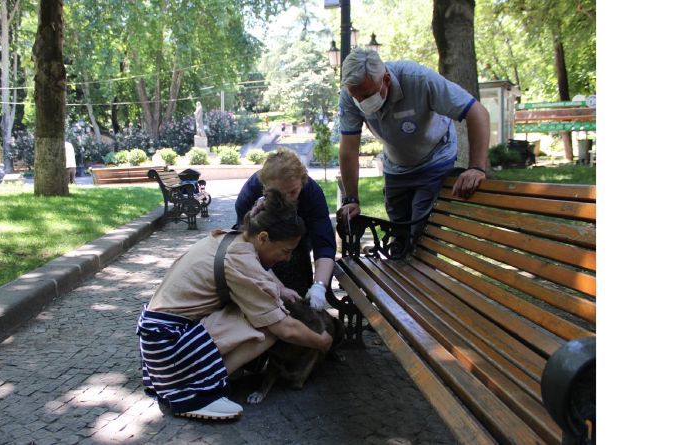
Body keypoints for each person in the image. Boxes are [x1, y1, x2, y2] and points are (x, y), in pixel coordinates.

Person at [137, 190, 333, 420]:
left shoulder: (232, 239)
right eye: (285, 251)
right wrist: (322, 341)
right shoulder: (241, 260)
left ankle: (203, 374)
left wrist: (279, 288)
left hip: (157, 341)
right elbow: (284, 328)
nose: (287, 258)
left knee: (261, 311)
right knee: (268, 326)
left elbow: (260, 279)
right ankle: (199, 392)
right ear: (263, 238)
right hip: (169, 346)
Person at [335, 47, 490, 248]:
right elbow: (349, 149)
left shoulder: (418, 79)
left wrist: (476, 167)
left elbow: (477, 112)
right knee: (398, 235)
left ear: (386, 80)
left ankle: (422, 276)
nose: (362, 102)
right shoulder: (350, 95)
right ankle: (400, 275)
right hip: (396, 165)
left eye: (367, 95)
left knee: (421, 235)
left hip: (434, 158)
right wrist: (351, 199)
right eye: (357, 97)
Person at [234, 149, 336, 310]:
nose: (287, 199)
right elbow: (243, 246)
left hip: (298, 250)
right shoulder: (249, 194)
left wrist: (319, 286)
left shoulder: (312, 193)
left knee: (299, 302)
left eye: (293, 192)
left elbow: (324, 243)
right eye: (279, 194)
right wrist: (278, 287)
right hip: (258, 254)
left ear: (302, 181)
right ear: (264, 187)